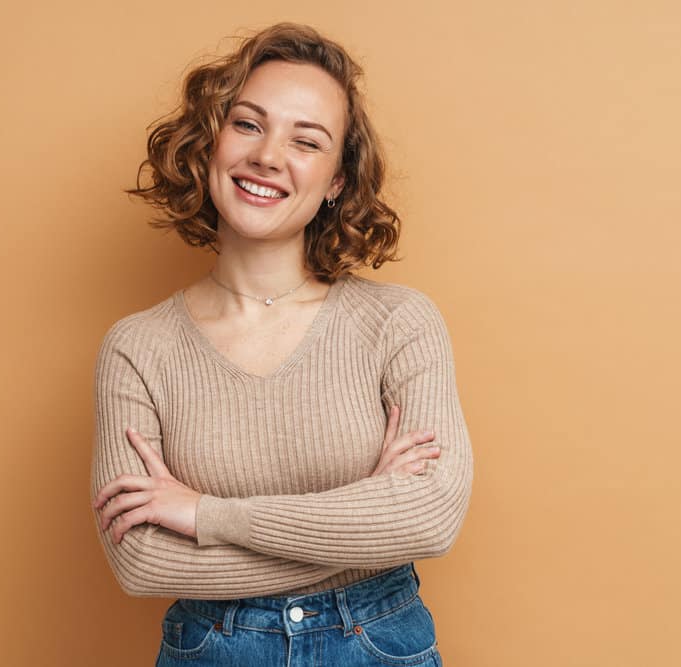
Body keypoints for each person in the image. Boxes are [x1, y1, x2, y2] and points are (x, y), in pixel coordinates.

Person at [90, 22, 473, 666]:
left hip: (374, 645)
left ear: (336, 183)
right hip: (214, 650)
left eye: (306, 140)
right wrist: (360, 519)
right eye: (247, 124)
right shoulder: (138, 348)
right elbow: (142, 560)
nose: (268, 155)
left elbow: (429, 517)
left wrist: (205, 515)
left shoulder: (399, 324)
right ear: (209, 142)